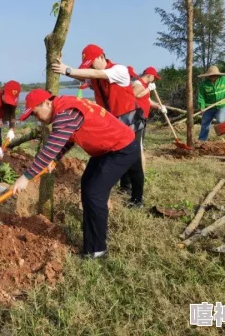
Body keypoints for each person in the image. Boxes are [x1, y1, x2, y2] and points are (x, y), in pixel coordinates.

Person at [11, 89, 139, 259]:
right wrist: (55, 159)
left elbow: (49, 148)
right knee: (88, 186)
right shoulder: (65, 107)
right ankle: (92, 241)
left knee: (95, 193)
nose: (37, 119)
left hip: (120, 148)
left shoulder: (65, 114)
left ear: (47, 103)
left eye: (35, 113)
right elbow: (68, 138)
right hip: (106, 149)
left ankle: (97, 250)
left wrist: (25, 178)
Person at [52, 44, 145, 208]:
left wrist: (68, 70)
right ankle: (124, 188)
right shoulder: (95, 78)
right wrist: (62, 67)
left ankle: (137, 198)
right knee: (113, 156)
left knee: (134, 160)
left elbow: (96, 73)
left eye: (90, 64)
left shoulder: (119, 70)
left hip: (129, 121)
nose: (89, 68)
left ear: (102, 57)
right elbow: (86, 77)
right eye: (86, 66)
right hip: (112, 124)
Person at [130, 67, 166, 171]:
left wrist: (159, 106)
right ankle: (140, 171)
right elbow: (135, 95)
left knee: (140, 143)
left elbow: (148, 100)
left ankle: (139, 170)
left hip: (143, 118)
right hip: (136, 118)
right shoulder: (138, 83)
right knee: (138, 146)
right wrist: (148, 89)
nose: (154, 79)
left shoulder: (145, 85)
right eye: (154, 77)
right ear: (149, 75)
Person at [197, 65, 225, 142]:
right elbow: (201, 97)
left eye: (215, 75)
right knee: (205, 123)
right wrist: (202, 107)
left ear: (218, 75)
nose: (213, 77)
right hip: (209, 106)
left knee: (220, 120)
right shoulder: (203, 85)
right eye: (211, 75)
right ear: (208, 76)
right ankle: (202, 140)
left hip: (222, 105)